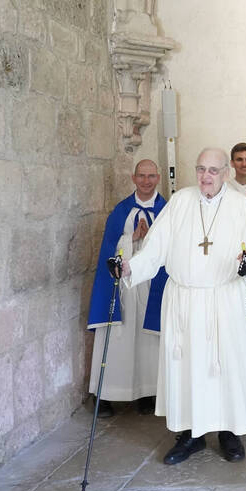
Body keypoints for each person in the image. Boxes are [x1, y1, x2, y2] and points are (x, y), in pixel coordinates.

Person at [118, 148, 246, 465]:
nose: (206, 176)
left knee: (226, 366)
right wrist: (131, 267)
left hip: (225, 300)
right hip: (184, 301)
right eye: (201, 169)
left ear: (226, 173)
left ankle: (229, 432)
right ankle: (192, 435)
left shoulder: (242, 206)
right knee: (187, 369)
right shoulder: (181, 201)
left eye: (213, 170)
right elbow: (155, 245)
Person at [86, 159, 167, 417]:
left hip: (153, 284)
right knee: (122, 339)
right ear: (134, 178)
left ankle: (147, 393)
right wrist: (131, 239)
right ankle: (109, 393)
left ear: (158, 178)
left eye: (151, 176)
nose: (146, 181)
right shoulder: (121, 211)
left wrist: (152, 239)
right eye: (141, 176)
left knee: (148, 341)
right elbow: (109, 250)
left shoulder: (167, 210)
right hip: (124, 288)